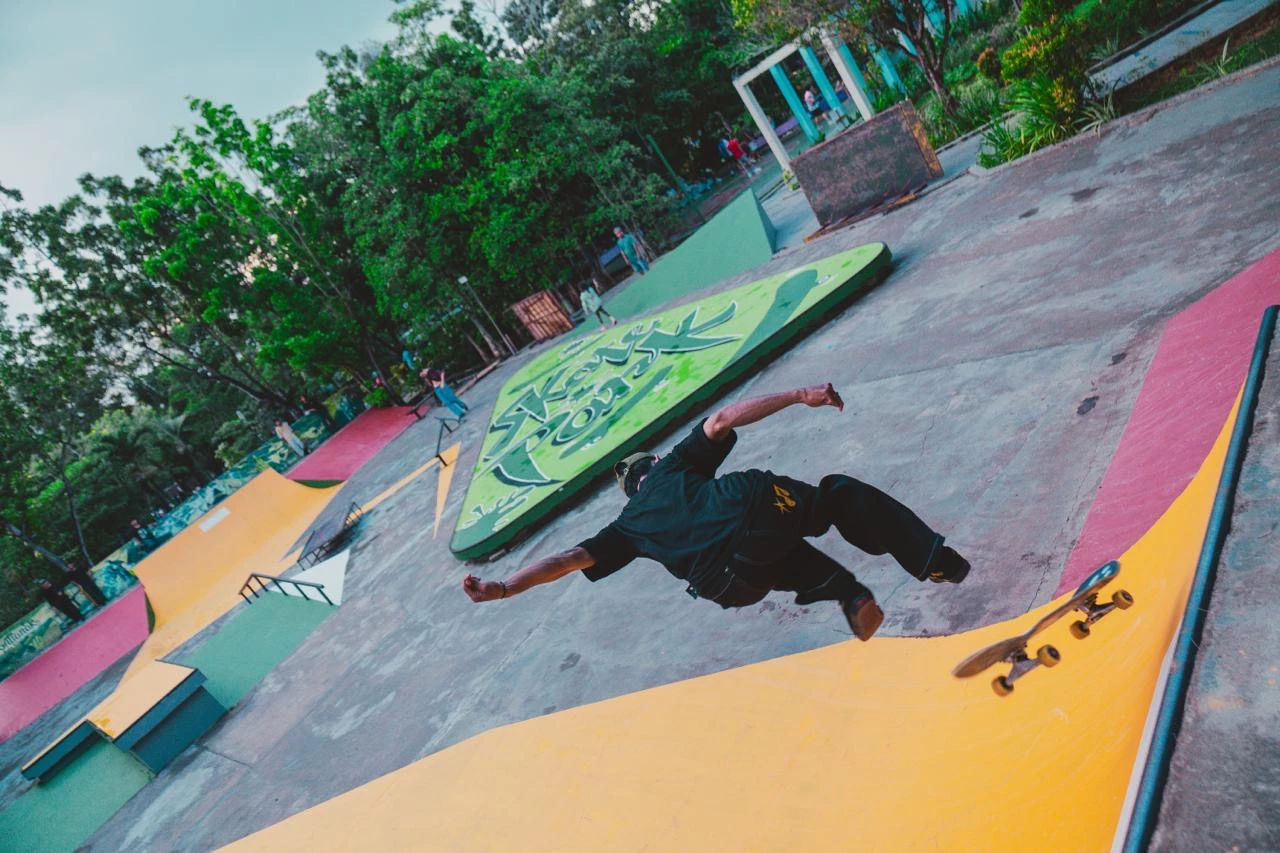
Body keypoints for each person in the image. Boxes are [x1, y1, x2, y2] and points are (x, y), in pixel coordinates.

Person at [462, 383, 970, 641]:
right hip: (754, 512)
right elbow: (723, 419)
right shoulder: (672, 465)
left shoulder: (626, 528)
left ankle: (852, 596)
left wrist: (504, 587)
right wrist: (800, 395)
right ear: (652, 465)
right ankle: (933, 559)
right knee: (835, 497)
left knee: (782, 559)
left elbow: (565, 560)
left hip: (730, 584)